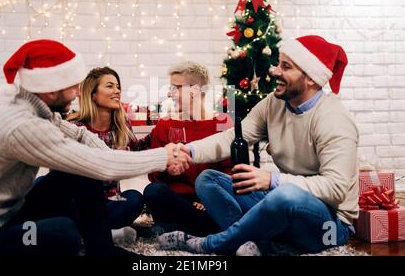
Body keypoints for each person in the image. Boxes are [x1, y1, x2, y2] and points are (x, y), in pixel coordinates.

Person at [0, 39, 190, 256]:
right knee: (64, 232)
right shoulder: (24, 126)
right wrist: (163, 156)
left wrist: (110, 155)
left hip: (11, 213)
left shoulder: (36, 112)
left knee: (82, 173)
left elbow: (81, 137)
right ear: (50, 89)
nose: (79, 92)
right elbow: (100, 165)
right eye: (73, 85)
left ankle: (102, 250)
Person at [158, 35, 359, 255]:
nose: (275, 71)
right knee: (208, 180)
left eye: (286, 66)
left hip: (330, 225)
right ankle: (253, 243)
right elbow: (232, 138)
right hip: (285, 206)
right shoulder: (274, 104)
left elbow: (336, 189)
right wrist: (189, 150)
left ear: (310, 78)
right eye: (278, 63)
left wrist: (272, 180)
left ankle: (211, 244)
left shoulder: (333, 119)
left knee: (285, 194)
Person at [143, 62, 233, 236]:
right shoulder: (165, 125)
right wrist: (168, 169)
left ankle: (178, 229)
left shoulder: (221, 124)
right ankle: (204, 228)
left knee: (228, 202)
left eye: (176, 88)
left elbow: (228, 171)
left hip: (209, 197)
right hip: (176, 198)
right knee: (153, 192)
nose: (170, 93)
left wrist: (206, 198)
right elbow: (154, 175)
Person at [66, 66, 146, 242]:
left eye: (118, 87)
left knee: (134, 199)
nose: (117, 91)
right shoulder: (75, 126)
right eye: (110, 86)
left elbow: (137, 152)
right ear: (92, 94)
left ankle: (88, 233)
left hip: (110, 202)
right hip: (81, 202)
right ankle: (103, 234)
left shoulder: (122, 126)